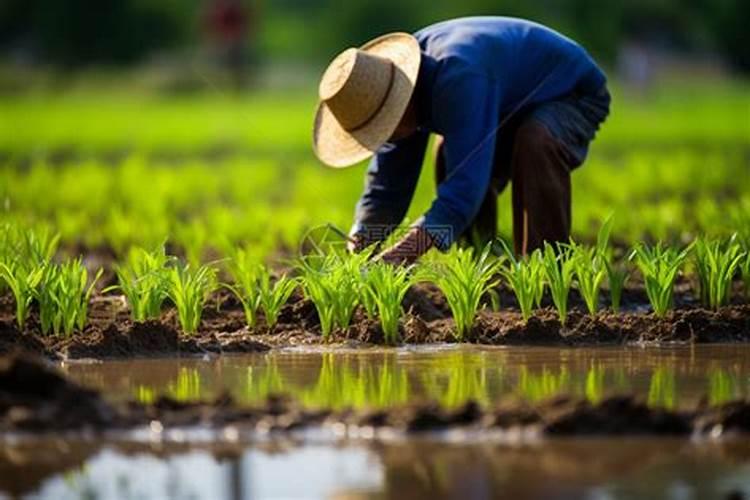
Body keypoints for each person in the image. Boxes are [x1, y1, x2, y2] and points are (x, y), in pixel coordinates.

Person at [312, 17, 611, 264]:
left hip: (571, 92)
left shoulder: (458, 77)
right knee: (446, 154)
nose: (384, 140)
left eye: (383, 129)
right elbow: (385, 189)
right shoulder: (392, 88)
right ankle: (482, 264)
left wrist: (399, 256)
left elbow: (462, 193)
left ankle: (546, 270)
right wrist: (360, 244)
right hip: (507, 101)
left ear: (399, 105)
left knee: (535, 140)